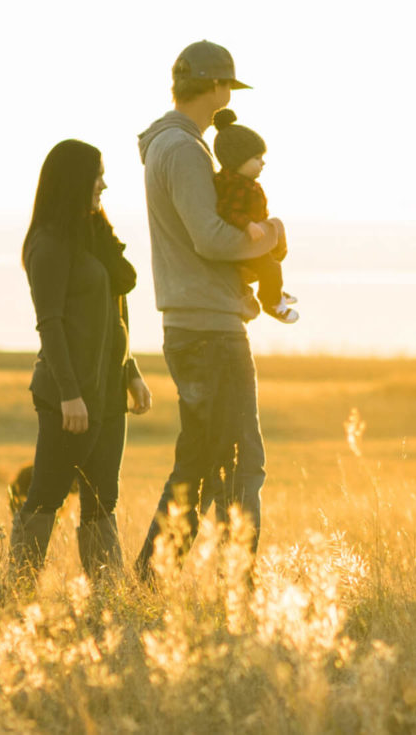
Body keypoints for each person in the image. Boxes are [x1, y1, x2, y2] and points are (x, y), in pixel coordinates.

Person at [133, 40, 284, 576]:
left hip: (195, 323)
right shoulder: (184, 149)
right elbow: (213, 238)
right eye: (227, 87)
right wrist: (270, 236)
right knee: (243, 462)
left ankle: (150, 577)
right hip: (210, 330)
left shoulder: (168, 145)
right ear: (217, 89)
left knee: (199, 464)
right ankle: (238, 586)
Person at [16, 139, 153, 584]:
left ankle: (108, 603)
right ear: (74, 180)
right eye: (97, 175)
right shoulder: (48, 244)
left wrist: (130, 373)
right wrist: (71, 396)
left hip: (108, 391)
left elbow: (116, 311)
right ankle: (14, 599)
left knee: (101, 500)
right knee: (46, 498)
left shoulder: (95, 236)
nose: (105, 184)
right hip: (69, 397)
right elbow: (50, 325)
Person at [209, 108, 299, 324]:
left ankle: (274, 290)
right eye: (257, 158)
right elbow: (228, 210)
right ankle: (272, 303)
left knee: (272, 267)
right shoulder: (234, 185)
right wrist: (249, 225)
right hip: (245, 243)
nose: (262, 163)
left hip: (252, 239)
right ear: (237, 159)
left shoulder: (244, 183)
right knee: (270, 267)